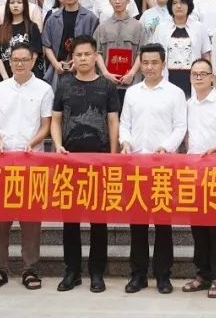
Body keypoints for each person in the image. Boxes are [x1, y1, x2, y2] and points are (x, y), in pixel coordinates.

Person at [52, 36, 120, 293]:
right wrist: (57, 145)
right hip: (69, 160)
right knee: (69, 219)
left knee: (98, 220)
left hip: (99, 161)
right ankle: (72, 271)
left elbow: (113, 121)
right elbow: (56, 119)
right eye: (78, 55)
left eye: (87, 54)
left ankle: (96, 272)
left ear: (95, 56)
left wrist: (113, 154)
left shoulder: (107, 86)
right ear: (73, 58)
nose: (82, 58)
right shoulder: (64, 84)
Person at [0, 43, 54, 290]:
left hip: (31, 161)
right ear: (9, 61)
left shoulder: (44, 89)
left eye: (24, 59)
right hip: (2, 160)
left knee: (31, 218)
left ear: (33, 60)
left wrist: (31, 143)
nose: (20, 63)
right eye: (15, 59)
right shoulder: (0, 88)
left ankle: (30, 269)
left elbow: (46, 125)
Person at [119, 44, 187, 295]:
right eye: (145, 63)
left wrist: (166, 147)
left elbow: (180, 127)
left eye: (154, 62)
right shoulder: (132, 93)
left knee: (163, 223)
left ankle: (163, 275)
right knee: (137, 223)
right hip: (136, 164)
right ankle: (138, 274)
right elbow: (124, 123)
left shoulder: (175, 93)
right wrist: (125, 142)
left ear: (163, 64)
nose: (149, 67)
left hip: (163, 165)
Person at [181, 58, 216, 299]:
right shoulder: (186, 104)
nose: (199, 77)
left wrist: (215, 149)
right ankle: (201, 274)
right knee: (197, 227)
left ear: (212, 78)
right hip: (193, 172)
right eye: (194, 74)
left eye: (203, 74)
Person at [41, 0, 100, 90]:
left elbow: (96, 47)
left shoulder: (90, 18)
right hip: (58, 70)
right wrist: (55, 64)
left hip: (84, 70)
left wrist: (78, 62)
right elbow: (47, 45)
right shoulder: (53, 19)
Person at [94, 0, 146, 104]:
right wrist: (105, 73)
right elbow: (97, 52)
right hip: (107, 83)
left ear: (128, 1)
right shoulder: (102, 27)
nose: (117, 2)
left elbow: (142, 53)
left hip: (132, 83)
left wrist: (131, 74)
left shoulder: (138, 26)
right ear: (110, 1)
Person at [153, 0, 211, 96]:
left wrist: (208, 78)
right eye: (174, 3)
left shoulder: (199, 27)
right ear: (170, 6)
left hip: (193, 79)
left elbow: (206, 54)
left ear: (189, 5)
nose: (178, 6)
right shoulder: (161, 28)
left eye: (182, 3)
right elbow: (155, 56)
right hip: (168, 78)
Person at [0, 0, 44, 81]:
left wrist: (24, 75)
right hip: (5, 77)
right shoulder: (1, 29)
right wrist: (6, 78)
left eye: (19, 2)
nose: (15, 5)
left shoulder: (32, 27)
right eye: (12, 2)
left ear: (25, 5)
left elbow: (35, 54)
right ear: (8, 6)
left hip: (27, 76)